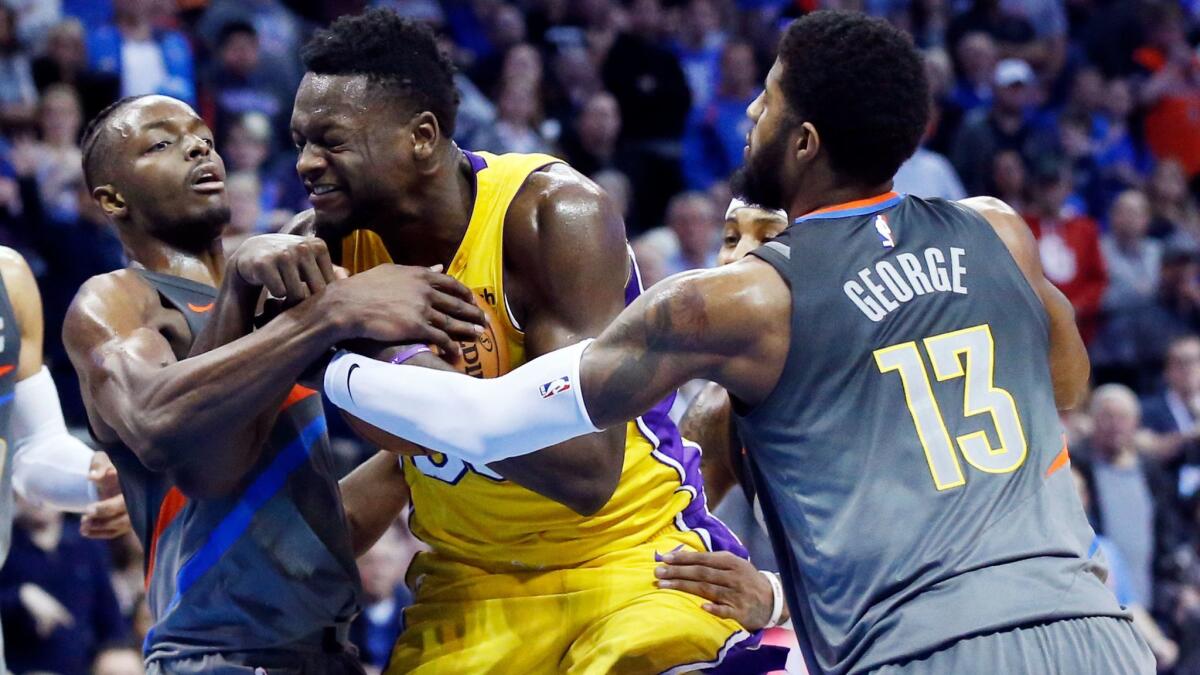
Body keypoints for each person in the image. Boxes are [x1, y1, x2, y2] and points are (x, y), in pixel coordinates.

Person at [323, 11, 1155, 674]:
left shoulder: (737, 302)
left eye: (769, 99)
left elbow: (503, 423)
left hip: (922, 647)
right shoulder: (999, 231)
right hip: (1092, 627)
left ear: (803, 143)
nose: (752, 112)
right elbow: (1067, 384)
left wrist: (345, 348)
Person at [289, 10, 763, 673]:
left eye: (331, 141)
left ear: (421, 137)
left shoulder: (552, 214)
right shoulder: (320, 250)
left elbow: (585, 469)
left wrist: (383, 355)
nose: (307, 163)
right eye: (300, 140)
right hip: (471, 583)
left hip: (627, 561)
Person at [63, 94, 484, 673]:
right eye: (161, 143)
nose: (195, 146)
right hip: (217, 657)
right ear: (112, 198)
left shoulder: (277, 300)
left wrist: (429, 442)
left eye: (203, 139)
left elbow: (324, 535)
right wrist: (322, 314)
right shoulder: (117, 301)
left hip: (330, 653)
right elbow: (161, 427)